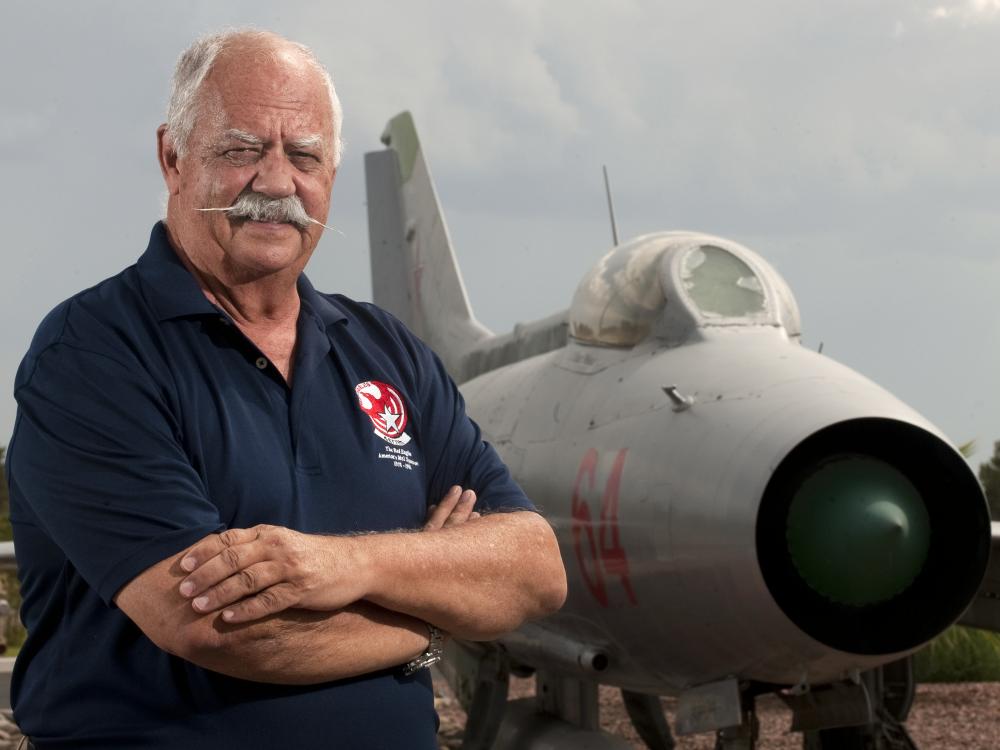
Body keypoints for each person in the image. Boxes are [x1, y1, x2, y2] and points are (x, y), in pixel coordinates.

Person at [5, 29, 567, 749]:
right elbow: (219, 627)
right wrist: (438, 612)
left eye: (304, 155)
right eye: (241, 150)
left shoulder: (388, 352)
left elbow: (535, 571)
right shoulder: (93, 355)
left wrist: (343, 563)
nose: (276, 184)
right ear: (172, 157)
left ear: (329, 174)